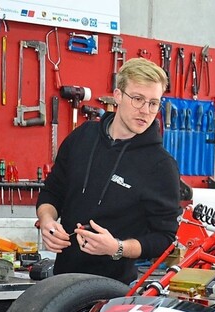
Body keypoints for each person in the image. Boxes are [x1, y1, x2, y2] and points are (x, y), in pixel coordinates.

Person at [36, 58, 181, 284]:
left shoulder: (160, 166)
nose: (145, 111)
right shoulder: (82, 137)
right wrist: (47, 221)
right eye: (138, 99)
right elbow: (52, 191)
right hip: (61, 280)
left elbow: (165, 239)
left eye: (153, 103)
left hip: (112, 291)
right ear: (118, 95)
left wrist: (118, 247)